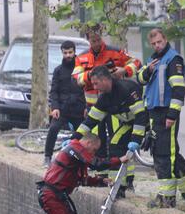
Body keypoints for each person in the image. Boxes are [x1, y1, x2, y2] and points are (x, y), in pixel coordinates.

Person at [73, 66, 148, 197]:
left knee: (161, 154)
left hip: (146, 121)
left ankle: (122, 185)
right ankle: (120, 186)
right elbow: (90, 121)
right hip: (129, 123)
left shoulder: (126, 89)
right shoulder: (104, 98)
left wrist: (136, 140)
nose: (95, 88)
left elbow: (141, 115)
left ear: (105, 80)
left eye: (96, 83)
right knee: (115, 145)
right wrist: (74, 138)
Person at [72, 25, 142, 166]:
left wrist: (124, 70)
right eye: (93, 41)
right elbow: (76, 78)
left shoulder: (115, 52)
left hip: (115, 105)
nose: (96, 43)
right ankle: (102, 172)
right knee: (97, 140)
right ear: (88, 41)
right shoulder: (81, 57)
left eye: (98, 40)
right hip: (94, 105)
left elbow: (136, 63)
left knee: (115, 138)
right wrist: (92, 74)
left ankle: (121, 173)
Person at [137, 28, 185, 208]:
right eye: (154, 44)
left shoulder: (173, 60)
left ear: (165, 39)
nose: (157, 45)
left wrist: (172, 114)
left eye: (159, 42)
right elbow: (140, 79)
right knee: (161, 152)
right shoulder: (153, 59)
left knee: (166, 154)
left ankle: (168, 199)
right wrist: (148, 70)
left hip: (166, 112)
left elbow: (178, 89)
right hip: (154, 112)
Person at [44, 40, 86, 168]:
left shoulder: (81, 69)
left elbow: (87, 89)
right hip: (62, 108)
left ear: (74, 52)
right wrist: (55, 107)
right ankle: (47, 156)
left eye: (70, 52)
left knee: (82, 134)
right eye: (65, 53)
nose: (68, 55)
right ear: (62, 53)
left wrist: (87, 107)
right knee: (53, 128)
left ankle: (80, 159)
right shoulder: (58, 70)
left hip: (79, 108)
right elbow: (54, 91)